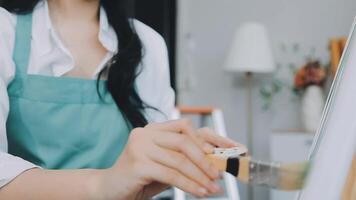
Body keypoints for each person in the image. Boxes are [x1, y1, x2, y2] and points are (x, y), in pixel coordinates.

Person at [0, 0, 240, 199]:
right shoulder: (5, 32)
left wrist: (177, 156)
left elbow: (151, 167)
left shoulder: (147, 43)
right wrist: (102, 185)